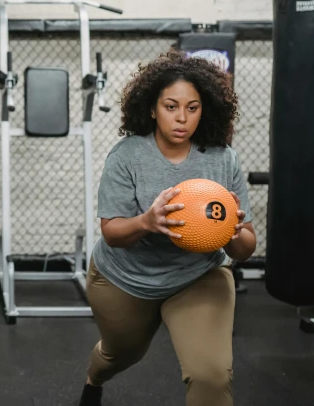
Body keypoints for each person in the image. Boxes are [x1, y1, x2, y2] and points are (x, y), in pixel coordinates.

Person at [79, 50, 256, 406]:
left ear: (204, 109)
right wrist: (147, 221)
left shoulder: (222, 159)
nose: (182, 118)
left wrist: (234, 234)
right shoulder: (127, 155)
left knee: (211, 375)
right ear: (151, 108)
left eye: (192, 108)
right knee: (120, 355)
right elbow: (112, 233)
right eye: (171, 106)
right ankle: (93, 379)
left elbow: (246, 245)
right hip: (125, 277)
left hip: (198, 275)